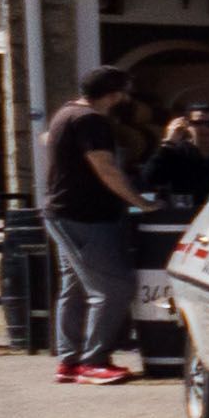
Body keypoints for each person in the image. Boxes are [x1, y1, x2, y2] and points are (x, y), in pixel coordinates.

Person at [41, 65, 153, 388]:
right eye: (125, 92)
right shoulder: (91, 120)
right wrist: (140, 202)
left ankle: (69, 362)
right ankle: (93, 361)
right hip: (85, 218)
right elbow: (105, 168)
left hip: (64, 214)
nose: (127, 99)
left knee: (74, 288)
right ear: (115, 94)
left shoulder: (66, 113)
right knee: (115, 287)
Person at [141, 102, 209, 208]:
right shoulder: (176, 151)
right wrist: (169, 143)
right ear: (187, 125)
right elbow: (152, 179)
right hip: (184, 214)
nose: (204, 128)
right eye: (197, 123)